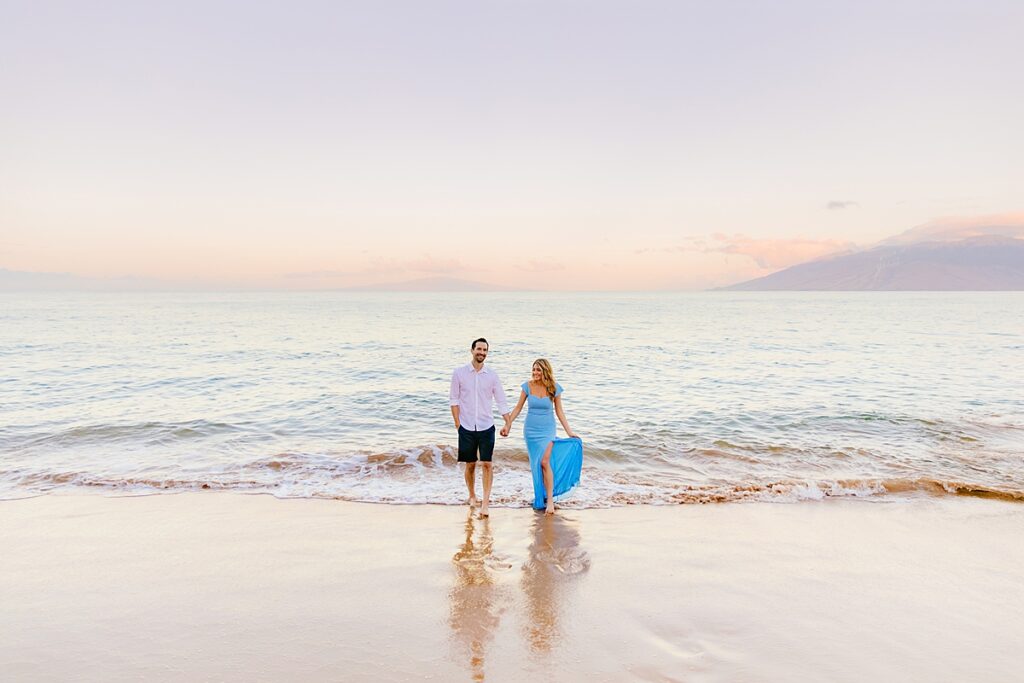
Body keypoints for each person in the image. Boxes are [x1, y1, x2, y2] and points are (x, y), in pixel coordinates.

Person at [503, 358, 581, 514]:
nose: (535, 373)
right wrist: (508, 424)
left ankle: (550, 500)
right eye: (533, 369)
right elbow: (518, 408)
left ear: (545, 371)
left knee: (545, 462)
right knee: (536, 465)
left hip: (547, 430)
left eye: (538, 370)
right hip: (530, 430)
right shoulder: (527, 387)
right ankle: (541, 498)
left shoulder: (554, 388)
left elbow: (559, 412)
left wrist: (569, 432)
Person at [449, 338, 511, 518]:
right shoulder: (459, 373)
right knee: (470, 465)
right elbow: (454, 400)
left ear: (487, 353)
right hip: (466, 426)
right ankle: (472, 495)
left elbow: (500, 400)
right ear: (472, 350)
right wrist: (457, 424)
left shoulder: (492, 375)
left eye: (484, 350)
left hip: (486, 426)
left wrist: (507, 422)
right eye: (479, 349)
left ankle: (485, 502)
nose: (481, 352)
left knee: (487, 464)